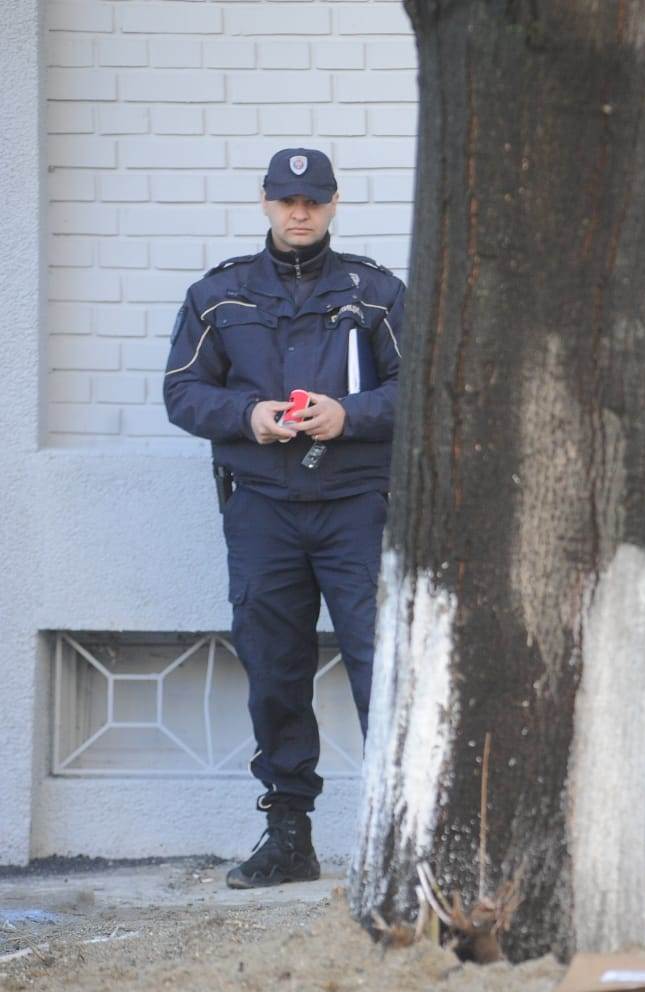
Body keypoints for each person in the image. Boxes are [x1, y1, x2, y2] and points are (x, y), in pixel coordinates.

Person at [163, 148, 405, 888]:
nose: (300, 213)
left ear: (334, 205)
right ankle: (288, 837)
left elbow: (425, 390)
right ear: (266, 203)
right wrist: (249, 415)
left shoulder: (376, 292)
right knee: (274, 670)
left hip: (356, 508)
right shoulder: (220, 296)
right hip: (263, 509)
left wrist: (350, 415)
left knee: (382, 667)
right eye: (286, 200)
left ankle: (400, 837)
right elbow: (182, 393)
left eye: (314, 201)